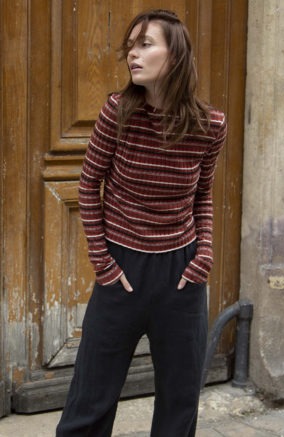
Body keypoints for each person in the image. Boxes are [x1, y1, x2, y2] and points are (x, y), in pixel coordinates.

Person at [56, 8, 226, 437]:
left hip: (182, 276)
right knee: (91, 399)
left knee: (180, 400)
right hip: (122, 271)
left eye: (145, 44)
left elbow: (202, 194)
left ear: (176, 55)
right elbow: (89, 182)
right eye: (130, 46)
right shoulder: (118, 113)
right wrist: (103, 261)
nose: (132, 54)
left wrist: (203, 252)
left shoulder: (210, 125)